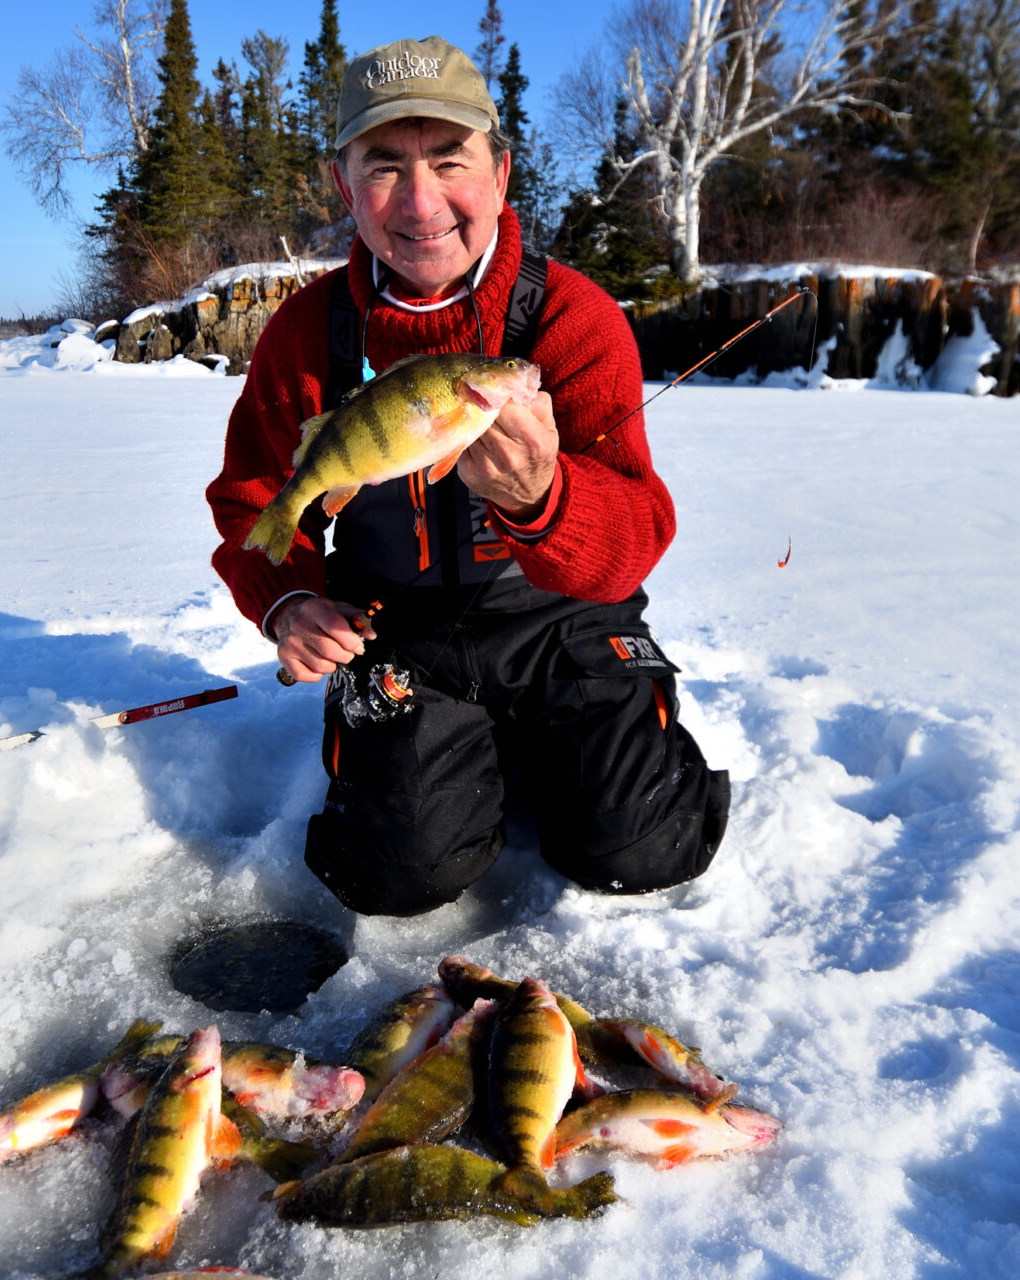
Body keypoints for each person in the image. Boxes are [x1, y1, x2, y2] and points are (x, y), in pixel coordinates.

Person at [206, 34, 729, 916]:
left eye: (450, 160)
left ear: (500, 170)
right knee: (395, 873)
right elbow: (254, 505)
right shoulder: (307, 333)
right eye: (383, 166)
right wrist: (288, 602)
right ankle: (448, 760)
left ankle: (577, 746)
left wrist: (548, 500)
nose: (420, 202)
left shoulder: (571, 319)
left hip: (561, 621)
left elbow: (636, 537)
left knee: (642, 843)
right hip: (399, 632)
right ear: (343, 183)